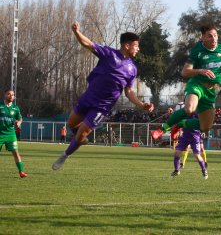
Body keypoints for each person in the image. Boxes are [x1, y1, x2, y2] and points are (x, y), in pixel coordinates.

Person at [52, 22, 154, 170]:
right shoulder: (109, 54)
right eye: (136, 45)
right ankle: (79, 138)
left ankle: (64, 155)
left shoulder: (132, 69)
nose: (138, 49)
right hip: (88, 97)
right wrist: (76, 32)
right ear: (127, 45)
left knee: (81, 134)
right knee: (71, 124)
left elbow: (129, 91)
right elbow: (88, 44)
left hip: (103, 107)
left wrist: (141, 104)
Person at [151, 24, 221, 140]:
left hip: (211, 91)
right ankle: (162, 129)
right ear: (203, 38)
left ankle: (180, 124)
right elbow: (185, 72)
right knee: (190, 108)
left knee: (205, 127)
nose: (214, 39)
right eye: (210, 36)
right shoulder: (197, 50)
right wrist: (200, 71)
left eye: (215, 35)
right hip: (197, 85)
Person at [170, 114, 208, 179]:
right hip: (185, 136)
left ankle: (204, 170)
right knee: (177, 152)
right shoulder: (185, 112)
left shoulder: (197, 112)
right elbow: (178, 118)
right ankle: (177, 170)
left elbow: (203, 121)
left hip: (195, 136)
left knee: (197, 155)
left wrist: (202, 130)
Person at [0, 90, 27, 178]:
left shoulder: (15, 108)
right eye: (9, 94)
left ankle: (21, 172)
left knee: (16, 152)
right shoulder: (0, 106)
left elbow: (20, 119)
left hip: (11, 134)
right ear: (5, 95)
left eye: (13, 95)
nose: (11, 96)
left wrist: (19, 123)